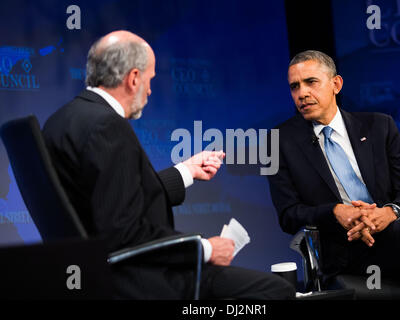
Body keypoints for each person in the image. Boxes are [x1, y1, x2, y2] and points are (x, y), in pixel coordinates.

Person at [43, 30, 295, 300]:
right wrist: (205, 249)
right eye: (150, 79)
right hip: (140, 281)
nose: (150, 90)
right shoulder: (108, 127)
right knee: (276, 291)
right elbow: (123, 233)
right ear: (134, 78)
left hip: (96, 275)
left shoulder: (63, 120)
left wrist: (185, 171)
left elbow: (115, 200)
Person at [267, 50, 400, 299]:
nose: (302, 94)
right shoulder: (279, 141)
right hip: (345, 249)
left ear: (336, 84)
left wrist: (388, 213)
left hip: (394, 236)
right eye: (294, 87)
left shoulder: (379, 126)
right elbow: (288, 215)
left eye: (311, 82)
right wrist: (335, 212)